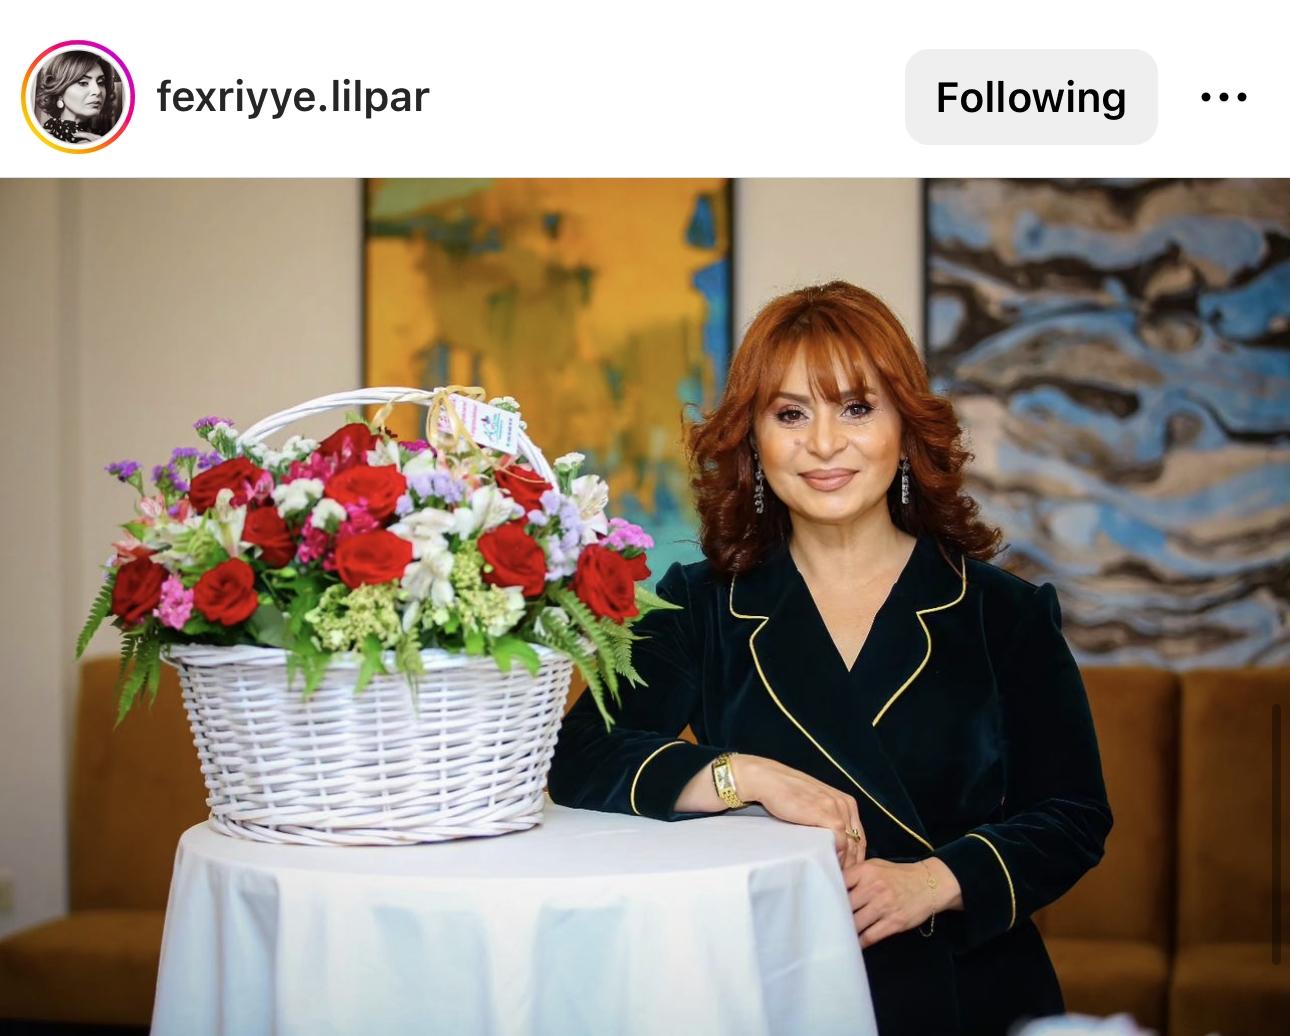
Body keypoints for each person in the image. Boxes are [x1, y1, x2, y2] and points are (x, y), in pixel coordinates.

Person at [546, 280, 1113, 1036]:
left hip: (965, 993)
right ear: (753, 439)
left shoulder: (1002, 612)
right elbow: (579, 756)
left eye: (855, 408)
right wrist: (742, 775)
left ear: (905, 427)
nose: (822, 443)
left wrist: (933, 882)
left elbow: (1073, 815)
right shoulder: (702, 604)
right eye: (790, 414)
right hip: (772, 989)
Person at [35, 51, 114, 145]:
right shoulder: (42, 139)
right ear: (60, 91)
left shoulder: (102, 138)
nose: (97, 91)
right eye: (83, 83)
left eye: (100, 82)